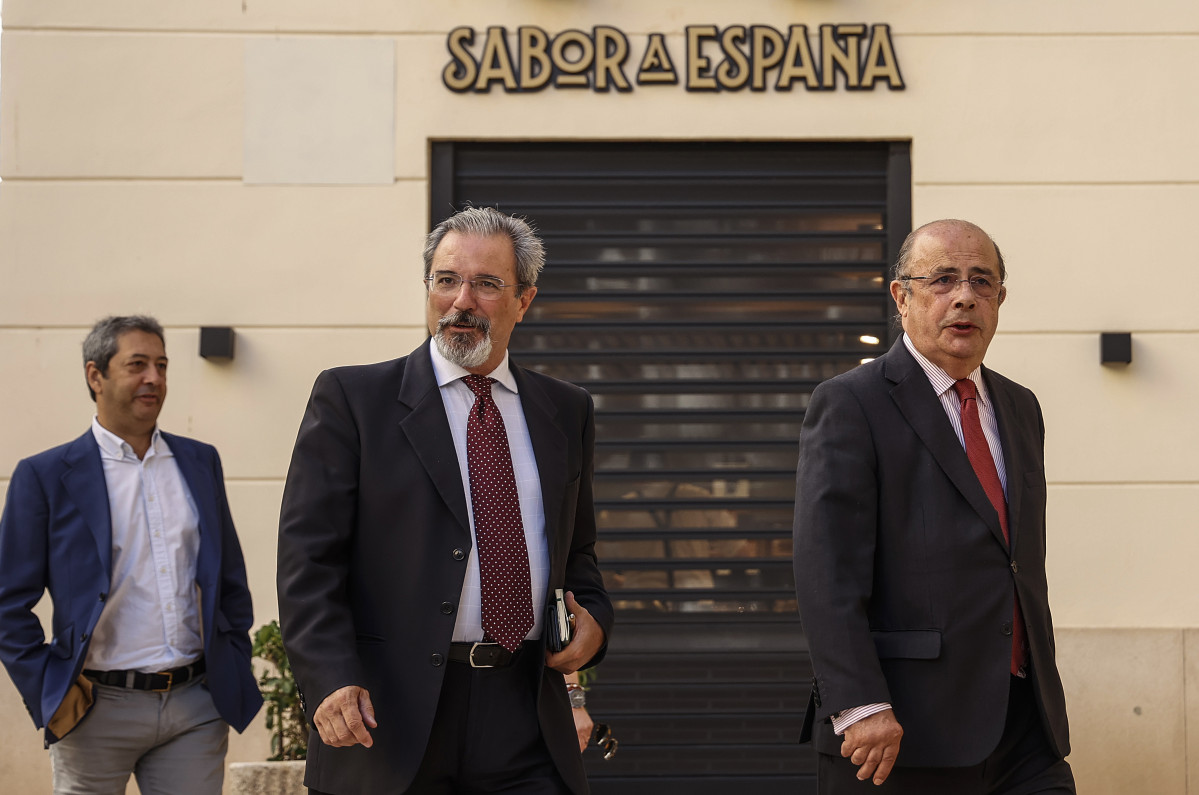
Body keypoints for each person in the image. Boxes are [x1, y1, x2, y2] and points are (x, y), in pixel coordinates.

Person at [277, 206, 614, 795]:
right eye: (447, 280)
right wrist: (330, 678)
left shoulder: (566, 410)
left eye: (487, 284)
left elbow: (577, 553)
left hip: (525, 715)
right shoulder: (354, 400)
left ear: (524, 300)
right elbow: (309, 561)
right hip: (389, 719)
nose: (463, 300)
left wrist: (595, 622)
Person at [792, 220, 1074, 793]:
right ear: (902, 297)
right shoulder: (851, 403)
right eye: (943, 279)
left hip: (1024, 727)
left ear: (999, 299)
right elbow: (827, 569)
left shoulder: (1021, 407)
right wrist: (859, 703)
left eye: (982, 281)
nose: (964, 295)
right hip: (900, 732)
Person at [0, 315, 262, 795]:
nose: (154, 379)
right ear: (94, 375)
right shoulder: (45, 475)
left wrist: (232, 657)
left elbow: (229, 579)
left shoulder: (200, 460)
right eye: (137, 365)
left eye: (161, 365)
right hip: (94, 710)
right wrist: (46, 687)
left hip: (195, 707)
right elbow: (7, 601)